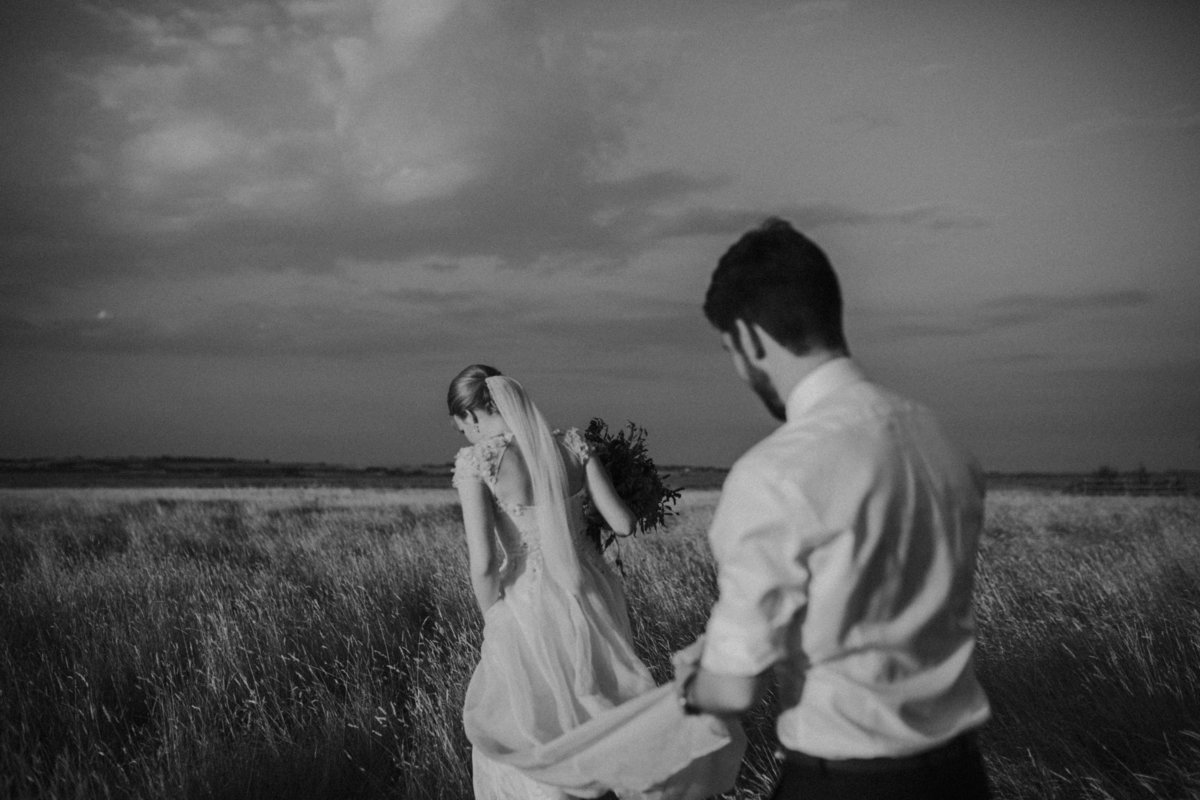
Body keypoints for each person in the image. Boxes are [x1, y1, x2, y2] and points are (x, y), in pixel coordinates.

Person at [673, 218, 993, 799]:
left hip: (844, 782)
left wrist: (693, 684)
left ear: (748, 338)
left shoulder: (774, 472)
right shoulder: (943, 440)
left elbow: (737, 690)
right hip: (962, 778)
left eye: (730, 351)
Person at [448, 365, 744, 800]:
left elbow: (484, 563)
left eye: (463, 428)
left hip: (527, 600)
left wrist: (492, 614)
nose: (468, 438)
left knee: (531, 717)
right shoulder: (571, 445)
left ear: (473, 416)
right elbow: (623, 523)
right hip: (591, 588)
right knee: (602, 703)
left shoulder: (478, 463)